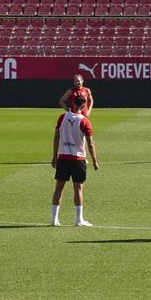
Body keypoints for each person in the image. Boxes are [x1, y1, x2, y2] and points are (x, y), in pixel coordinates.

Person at [51, 95, 99, 227]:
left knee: (58, 188)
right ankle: (79, 220)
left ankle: (54, 219)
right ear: (83, 106)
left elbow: (56, 138)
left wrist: (54, 156)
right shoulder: (85, 121)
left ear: (72, 103)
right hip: (78, 158)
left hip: (63, 157)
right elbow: (90, 143)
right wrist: (95, 160)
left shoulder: (62, 117)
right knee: (78, 189)